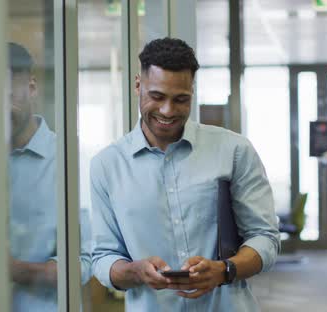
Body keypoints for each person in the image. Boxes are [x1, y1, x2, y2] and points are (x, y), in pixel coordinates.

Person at [90, 37, 279, 311]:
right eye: (157, 97)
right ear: (137, 85)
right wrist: (136, 271)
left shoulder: (234, 150)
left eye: (181, 99)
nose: (167, 111)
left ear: (192, 91)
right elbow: (103, 258)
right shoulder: (107, 165)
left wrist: (225, 270)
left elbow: (265, 238)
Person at [7, 42, 91, 312]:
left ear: (31, 88)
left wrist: (19, 271)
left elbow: (87, 262)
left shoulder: (69, 160)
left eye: (10, 94)